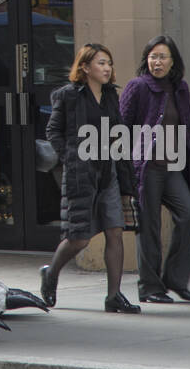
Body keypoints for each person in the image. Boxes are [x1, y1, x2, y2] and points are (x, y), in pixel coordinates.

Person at [40, 43, 140, 314]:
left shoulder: (110, 96)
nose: (107, 68)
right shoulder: (68, 96)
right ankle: (51, 274)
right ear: (85, 67)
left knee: (115, 231)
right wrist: (70, 157)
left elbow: (118, 131)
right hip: (81, 174)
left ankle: (114, 296)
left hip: (109, 172)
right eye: (101, 63)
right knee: (79, 238)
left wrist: (123, 167)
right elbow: (53, 131)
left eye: (109, 63)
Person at [119, 35, 190, 303]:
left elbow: (186, 126)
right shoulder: (138, 87)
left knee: (188, 216)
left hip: (173, 166)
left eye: (162, 57)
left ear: (172, 61)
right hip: (146, 168)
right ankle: (150, 288)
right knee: (149, 226)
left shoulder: (180, 88)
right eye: (153, 56)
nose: (157, 62)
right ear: (147, 60)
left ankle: (175, 280)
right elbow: (121, 127)